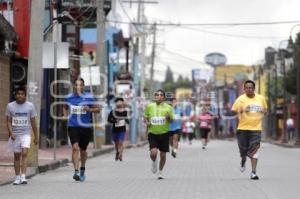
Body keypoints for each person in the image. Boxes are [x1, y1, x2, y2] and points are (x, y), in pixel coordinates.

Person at [63, 78, 100, 182]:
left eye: (80, 85)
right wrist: (66, 117)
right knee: (75, 148)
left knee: (83, 150)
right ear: (74, 86)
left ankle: (82, 167)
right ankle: (76, 171)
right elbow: (65, 107)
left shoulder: (89, 97)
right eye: (76, 85)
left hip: (85, 127)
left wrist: (90, 109)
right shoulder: (69, 97)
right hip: (73, 126)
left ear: (83, 86)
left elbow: (98, 109)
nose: (78, 87)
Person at [231, 80, 267, 180]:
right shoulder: (240, 99)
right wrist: (243, 110)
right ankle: (243, 160)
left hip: (256, 129)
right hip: (242, 129)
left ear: (254, 88)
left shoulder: (261, 98)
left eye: (251, 87)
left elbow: (265, 111)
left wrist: (264, 111)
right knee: (243, 151)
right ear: (244, 89)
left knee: (254, 150)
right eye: (247, 88)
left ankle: (253, 172)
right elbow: (233, 111)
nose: (249, 89)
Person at [6, 86, 38, 185]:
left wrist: (36, 136)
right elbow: (8, 121)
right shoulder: (10, 106)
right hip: (15, 134)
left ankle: (23, 176)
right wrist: (11, 133)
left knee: (24, 153)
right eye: (18, 94)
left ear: (25, 95)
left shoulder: (30, 106)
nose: (20, 96)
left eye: (22, 94)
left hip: (26, 134)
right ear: (16, 95)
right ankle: (17, 177)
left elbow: (33, 122)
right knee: (16, 156)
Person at [144, 89, 174, 179]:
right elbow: (145, 117)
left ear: (164, 97)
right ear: (155, 97)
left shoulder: (169, 107)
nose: (159, 96)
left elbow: (172, 120)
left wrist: (169, 118)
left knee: (163, 154)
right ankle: (154, 162)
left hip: (164, 133)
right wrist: (147, 122)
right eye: (157, 95)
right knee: (153, 153)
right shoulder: (149, 106)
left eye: (161, 95)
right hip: (152, 133)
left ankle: (160, 172)